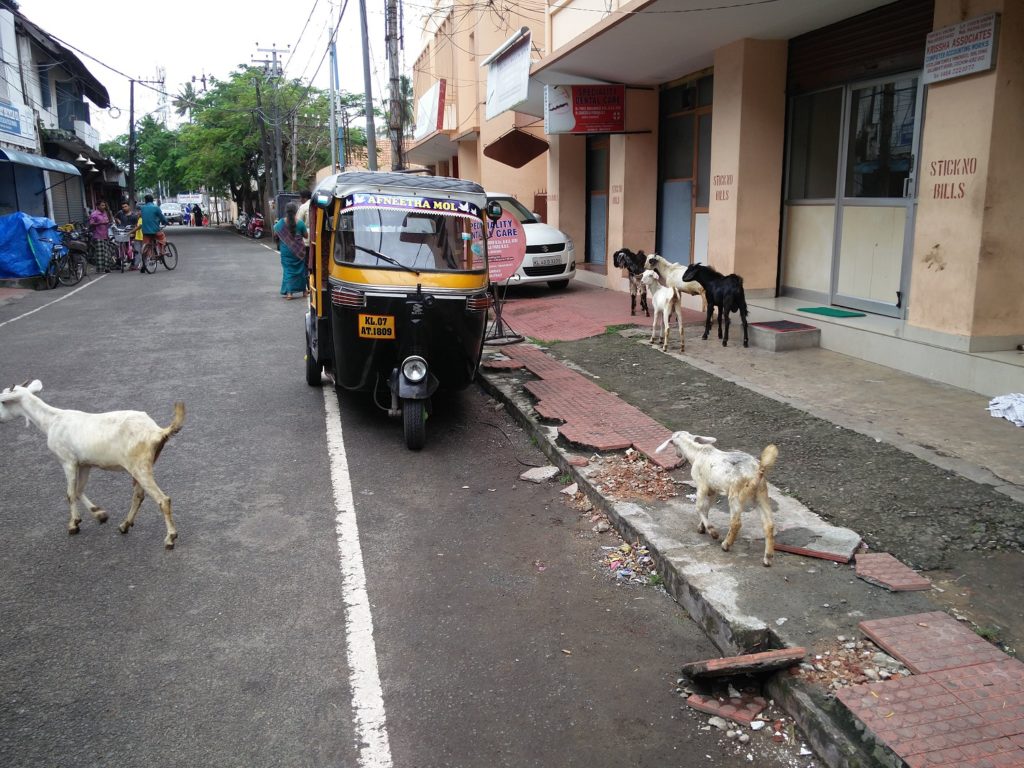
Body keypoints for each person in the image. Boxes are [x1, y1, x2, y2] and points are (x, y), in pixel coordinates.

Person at [273, 201, 308, 299]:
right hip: (299, 251)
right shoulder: (300, 223)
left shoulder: (280, 223)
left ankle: (289, 293)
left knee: (288, 271)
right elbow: (306, 236)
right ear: (296, 211)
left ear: (286, 211)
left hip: (286, 251)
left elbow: (275, 234)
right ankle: (304, 292)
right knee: (301, 271)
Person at [137, 194, 169, 274]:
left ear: (145, 201)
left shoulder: (142, 208)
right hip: (155, 230)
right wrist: (166, 222)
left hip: (145, 231)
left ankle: (144, 264)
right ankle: (161, 252)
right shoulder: (156, 208)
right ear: (152, 200)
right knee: (162, 238)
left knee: (146, 247)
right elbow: (162, 217)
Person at [87, 200, 116, 272]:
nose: (104, 207)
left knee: (107, 252)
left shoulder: (105, 213)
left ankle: (107, 268)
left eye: (104, 205)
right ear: (98, 206)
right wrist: (100, 223)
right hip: (98, 235)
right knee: (100, 253)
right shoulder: (94, 214)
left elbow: (107, 222)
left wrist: (109, 223)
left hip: (105, 235)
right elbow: (91, 224)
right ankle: (100, 269)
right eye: (102, 205)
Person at [114, 201, 141, 271]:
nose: (124, 208)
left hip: (131, 235)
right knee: (118, 249)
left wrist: (133, 233)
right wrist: (118, 220)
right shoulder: (120, 213)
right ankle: (118, 264)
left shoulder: (134, 216)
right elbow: (115, 217)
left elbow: (136, 226)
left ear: (129, 207)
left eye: (125, 206)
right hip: (122, 234)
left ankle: (133, 263)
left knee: (131, 250)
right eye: (123, 207)